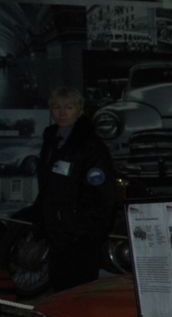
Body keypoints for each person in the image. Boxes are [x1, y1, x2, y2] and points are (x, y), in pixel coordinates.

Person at [34, 86, 117, 292]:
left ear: (79, 110)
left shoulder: (90, 145)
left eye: (68, 107)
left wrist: (83, 228)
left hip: (81, 236)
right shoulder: (51, 141)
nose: (62, 112)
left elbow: (102, 193)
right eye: (57, 107)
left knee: (80, 292)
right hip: (56, 232)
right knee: (59, 290)